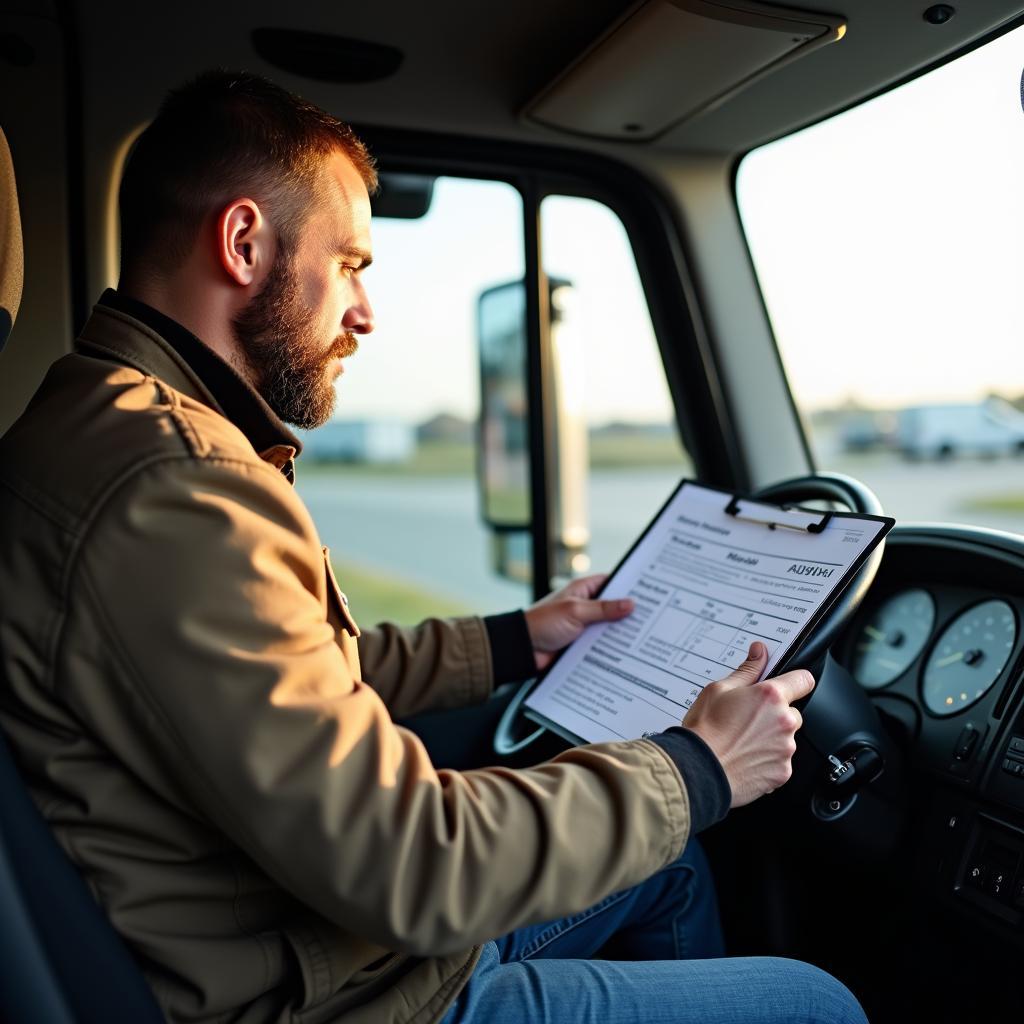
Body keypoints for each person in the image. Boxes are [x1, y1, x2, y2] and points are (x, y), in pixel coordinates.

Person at [0, 71, 867, 1024]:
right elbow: (410, 865)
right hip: (337, 997)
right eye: (352, 264)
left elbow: (292, 679)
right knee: (818, 1002)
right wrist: (698, 767)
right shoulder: (181, 487)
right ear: (244, 242)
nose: (365, 313)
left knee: (670, 866)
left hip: (293, 944)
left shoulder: (84, 424)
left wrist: (515, 641)